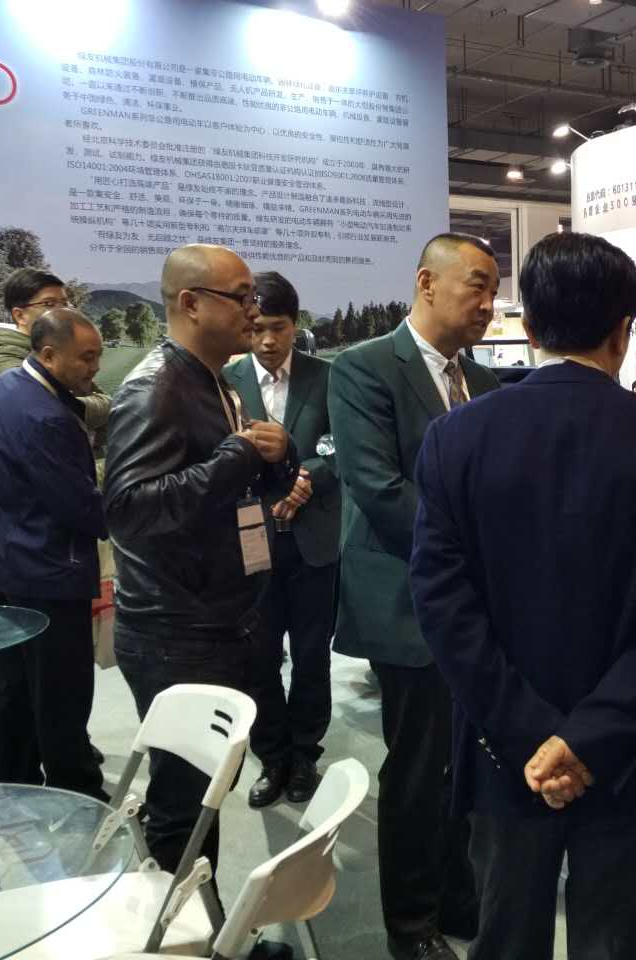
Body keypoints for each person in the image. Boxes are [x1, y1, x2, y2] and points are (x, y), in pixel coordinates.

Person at [408, 231, 636, 960]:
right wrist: (592, 737)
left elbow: (443, 605)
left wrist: (531, 737)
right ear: (623, 330)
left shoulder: (455, 439)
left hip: (504, 753)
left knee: (505, 937)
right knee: (620, 942)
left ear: (528, 325)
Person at [328, 232, 500, 960]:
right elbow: (379, 488)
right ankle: (411, 923)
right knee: (419, 767)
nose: (489, 304)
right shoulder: (365, 368)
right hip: (408, 601)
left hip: (476, 609)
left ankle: (460, 895)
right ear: (428, 283)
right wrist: (476, 557)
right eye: (477, 285)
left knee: (468, 759)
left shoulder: (483, 382)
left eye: (494, 290)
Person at [104, 244, 301, 873]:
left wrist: (279, 458)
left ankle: (196, 915)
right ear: (190, 303)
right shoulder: (156, 388)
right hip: (175, 633)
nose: (253, 311)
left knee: (205, 792)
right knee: (183, 806)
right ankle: (176, 921)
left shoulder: (212, 379)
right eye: (240, 297)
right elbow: (129, 511)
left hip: (216, 618)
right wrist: (237, 456)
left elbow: (229, 488)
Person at [0, 307, 108, 800]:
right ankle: (77, 796)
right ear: (48, 354)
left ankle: (15, 788)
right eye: (86, 357)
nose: (95, 368)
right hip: (46, 576)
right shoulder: (48, 418)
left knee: (15, 690)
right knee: (62, 696)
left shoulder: (7, 387)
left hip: (0, 564)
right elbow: (84, 509)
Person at [225, 271, 340, 809]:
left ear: (296, 325)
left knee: (313, 655)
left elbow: (342, 442)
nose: (268, 341)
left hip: (314, 537)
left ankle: (305, 753)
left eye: (279, 328)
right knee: (260, 655)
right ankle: (272, 756)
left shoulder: (329, 377)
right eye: (257, 329)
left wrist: (309, 473)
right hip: (252, 540)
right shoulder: (226, 380)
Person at [0, 268, 110, 444]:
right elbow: (49, 412)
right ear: (20, 315)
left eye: (65, 303)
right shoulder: (1, 358)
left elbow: (103, 401)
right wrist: (92, 411)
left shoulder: (57, 348)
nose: (63, 311)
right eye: (49, 304)